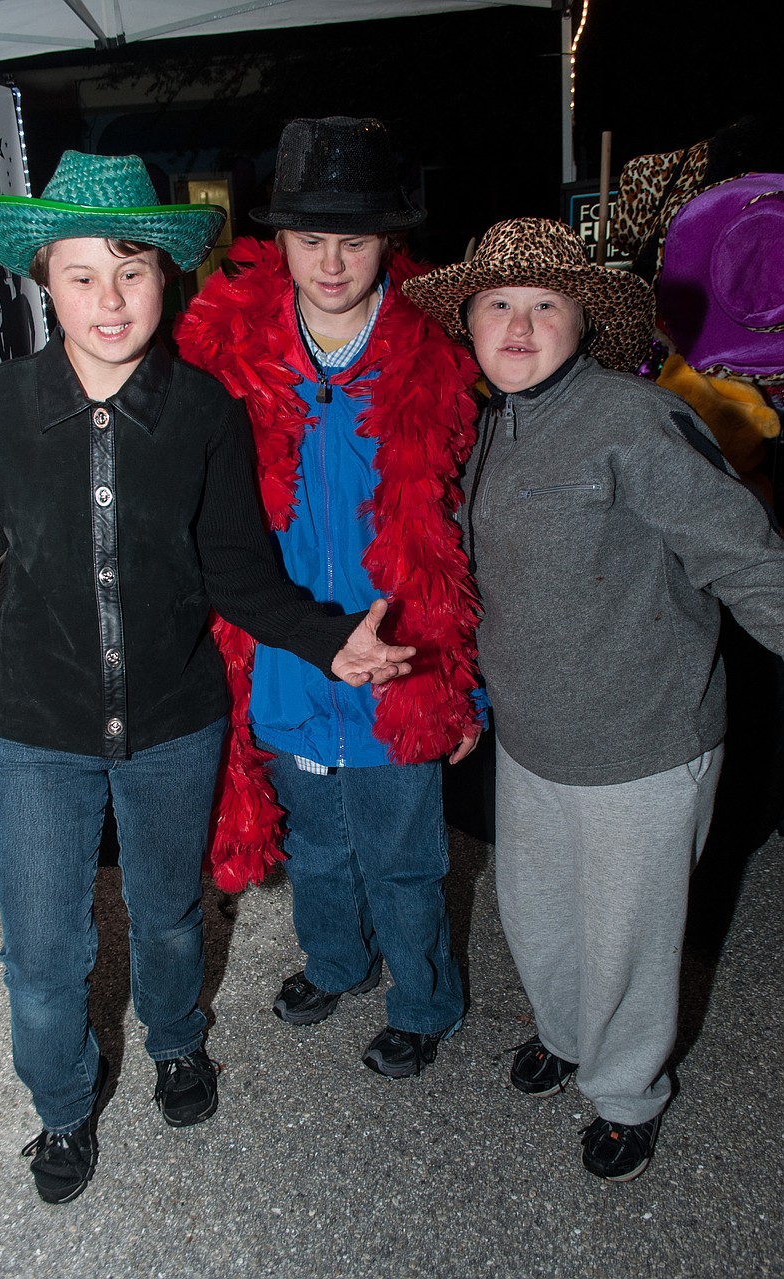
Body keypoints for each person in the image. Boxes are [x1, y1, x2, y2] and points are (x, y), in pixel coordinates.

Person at [0, 150, 416, 1205]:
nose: (110, 299)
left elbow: (235, 567)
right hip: (36, 732)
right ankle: (61, 1107)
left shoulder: (203, 412)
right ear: (42, 281)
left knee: (162, 912)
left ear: (168, 276)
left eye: (133, 267)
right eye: (80, 274)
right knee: (42, 950)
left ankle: (176, 1042)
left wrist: (327, 637)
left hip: (173, 725)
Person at [403, 217, 784, 1180]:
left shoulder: (637, 419)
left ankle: (626, 1092)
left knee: (628, 941)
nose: (519, 326)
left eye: (545, 305)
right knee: (540, 918)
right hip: (532, 740)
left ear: (582, 321)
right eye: (498, 304)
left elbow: (747, 558)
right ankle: (569, 1035)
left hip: (643, 741)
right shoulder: (489, 429)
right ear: (471, 323)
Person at [176, 116, 483, 1079]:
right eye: (313, 239)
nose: (334, 261)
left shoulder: (437, 355)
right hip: (287, 657)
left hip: (404, 662)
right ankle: (337, 961)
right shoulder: (230, 355)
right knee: (316, 845)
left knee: (404, 852)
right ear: (281, 243)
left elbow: (468, 545)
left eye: (355, 238)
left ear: (389, 240)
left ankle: (427, 998)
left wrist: (467, 686)